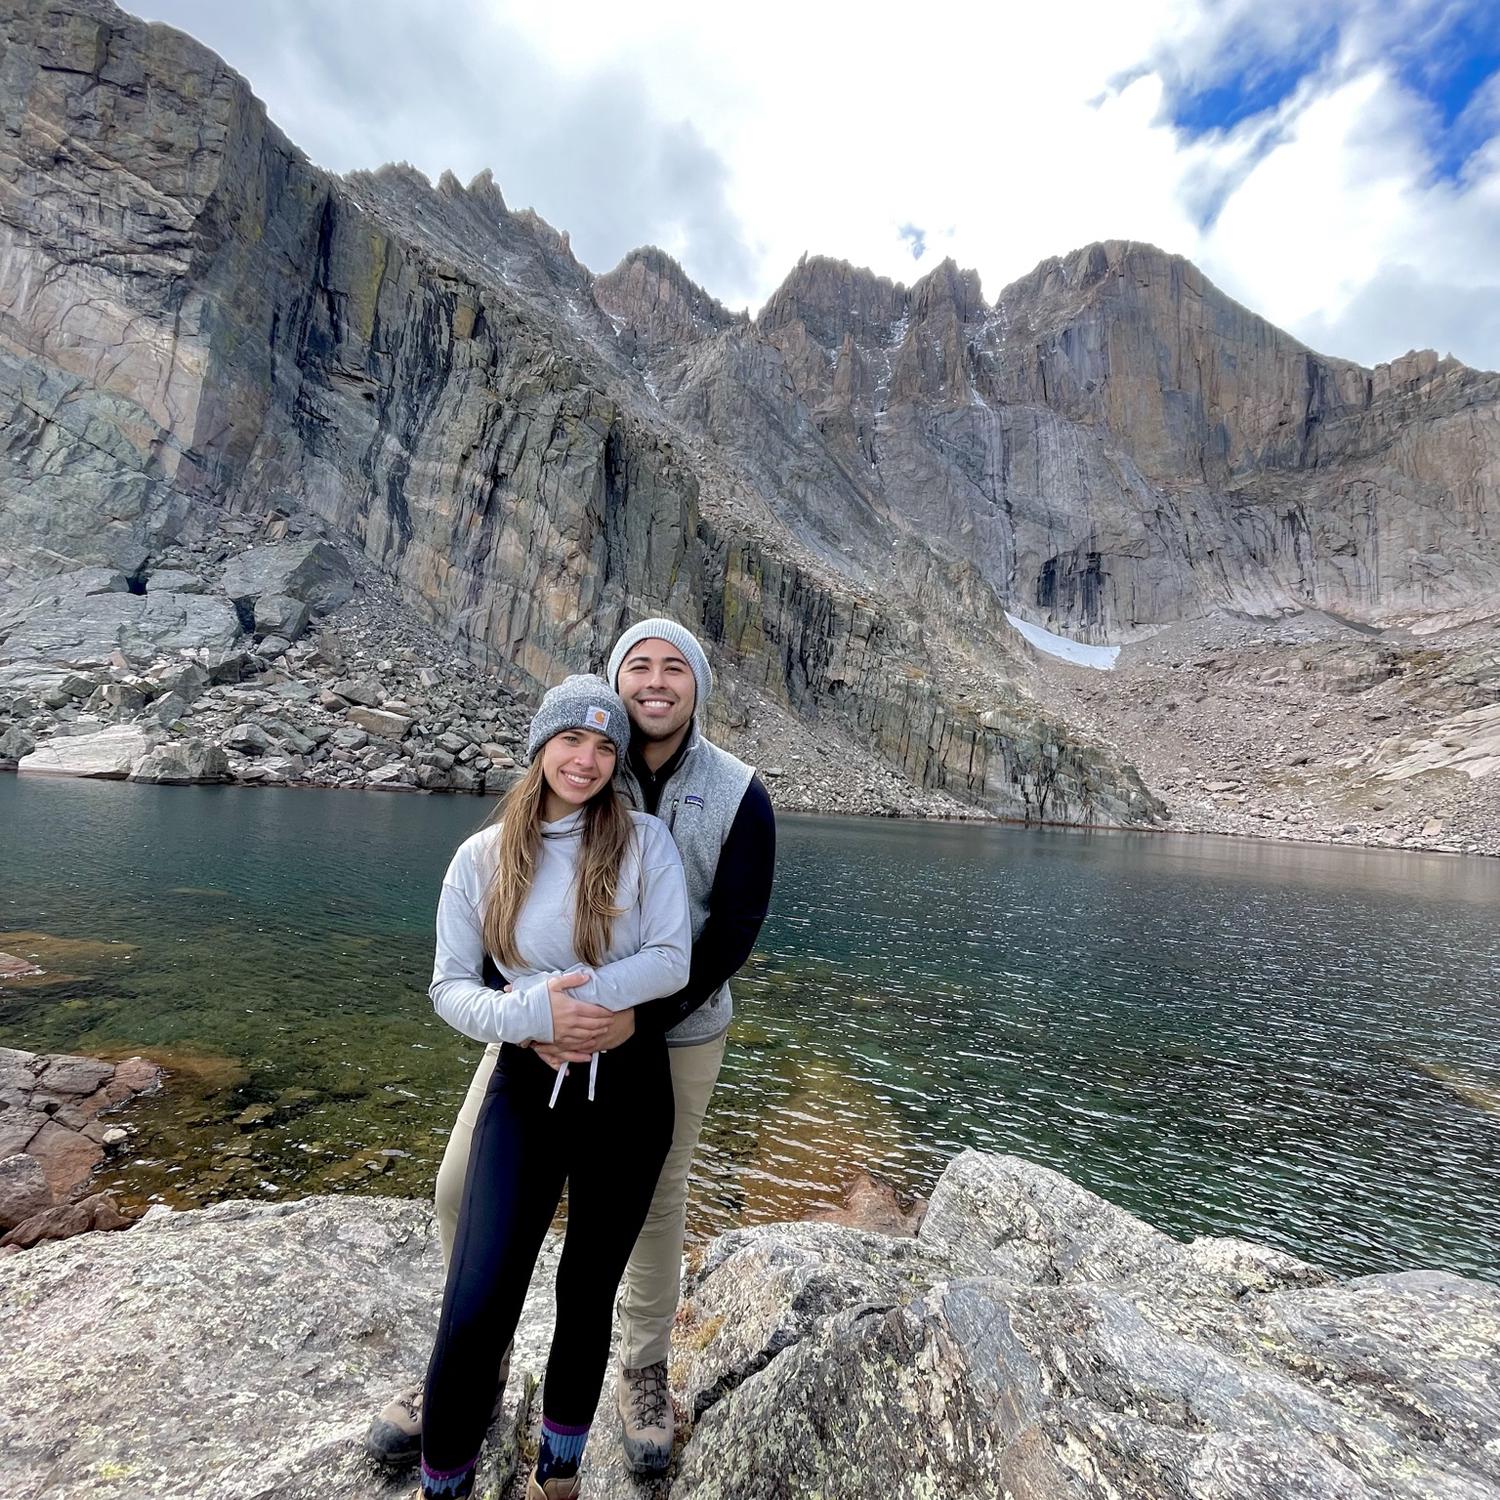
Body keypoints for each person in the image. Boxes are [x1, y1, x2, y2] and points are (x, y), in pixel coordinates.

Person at [369, 619, 777, 1477]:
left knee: (653, 1206)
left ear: (699, 685)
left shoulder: (736, 790)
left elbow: (733, 930)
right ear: (611, 688)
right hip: (544, 1034)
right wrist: (538, 1018)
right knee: (459, 1189)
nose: (656, 681)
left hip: (679, 1029)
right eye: (640, 666)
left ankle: (641, 1370)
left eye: (676, 668)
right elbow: (479, 957)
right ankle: (466, 1365)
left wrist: (635, 1022)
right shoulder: (592, 763)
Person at [416, 674, 691, 1500]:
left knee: (586, 1294)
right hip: (526, 1091)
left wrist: (592, 1007)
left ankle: (558, 1478)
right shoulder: (482, 856)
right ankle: (445, 1480)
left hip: (631, 1097)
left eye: (607, 747)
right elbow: (450, 988)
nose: (588, 760)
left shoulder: (645, 843)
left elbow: (672, 958)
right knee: (478, 1299)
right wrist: (533, 1014)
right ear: (541, 747)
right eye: (573, 740)